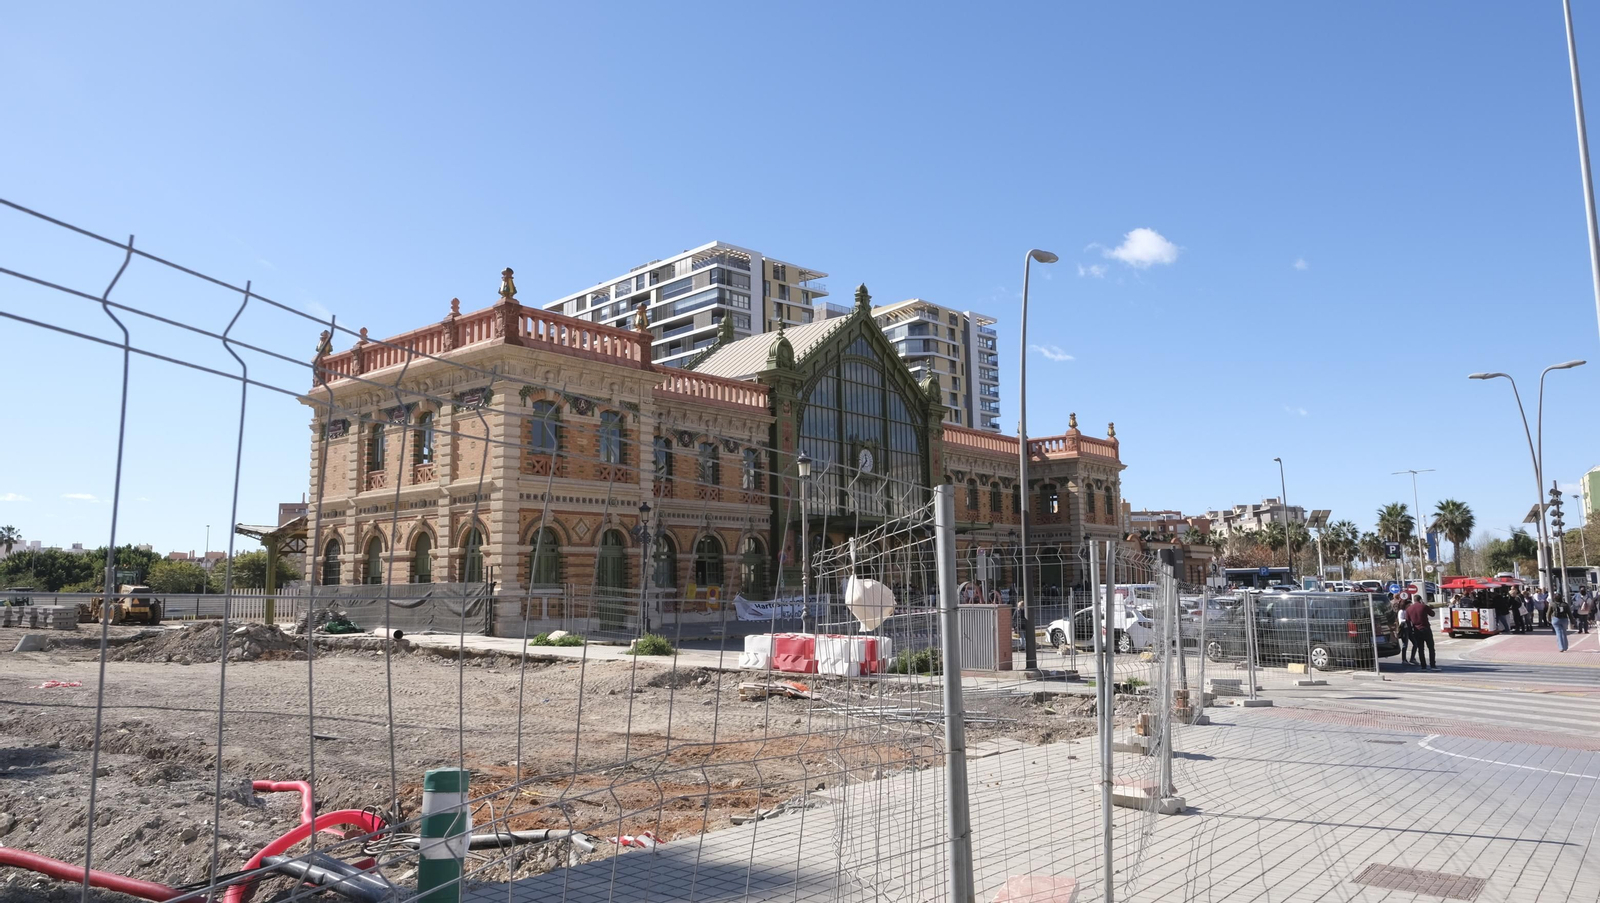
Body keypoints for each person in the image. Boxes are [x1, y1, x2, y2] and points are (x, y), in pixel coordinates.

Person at [1405, 595, 1437, 670]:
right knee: (1431, 647)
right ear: (1420, 600)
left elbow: (1407, 621)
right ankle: (1432, 665)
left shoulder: (1409, 609)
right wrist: (1425, 605)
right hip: (1426, 628)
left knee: (1421, 649)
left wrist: (1411, 631)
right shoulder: (1423, 606)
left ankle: (1423, 666)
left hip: (1416, 630)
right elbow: (1432, 614)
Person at [1392, 593, 1412, 664]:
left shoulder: (1406, 611)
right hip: (1404, 629)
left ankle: (1411, 659)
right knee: (1405, 644)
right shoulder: (1401, 611)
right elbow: (1401, 621)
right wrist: (1408, 620)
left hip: (1408, 628)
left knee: (1414, 643)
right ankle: (1404, 659)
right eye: (1409, 605)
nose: (1410, 606)